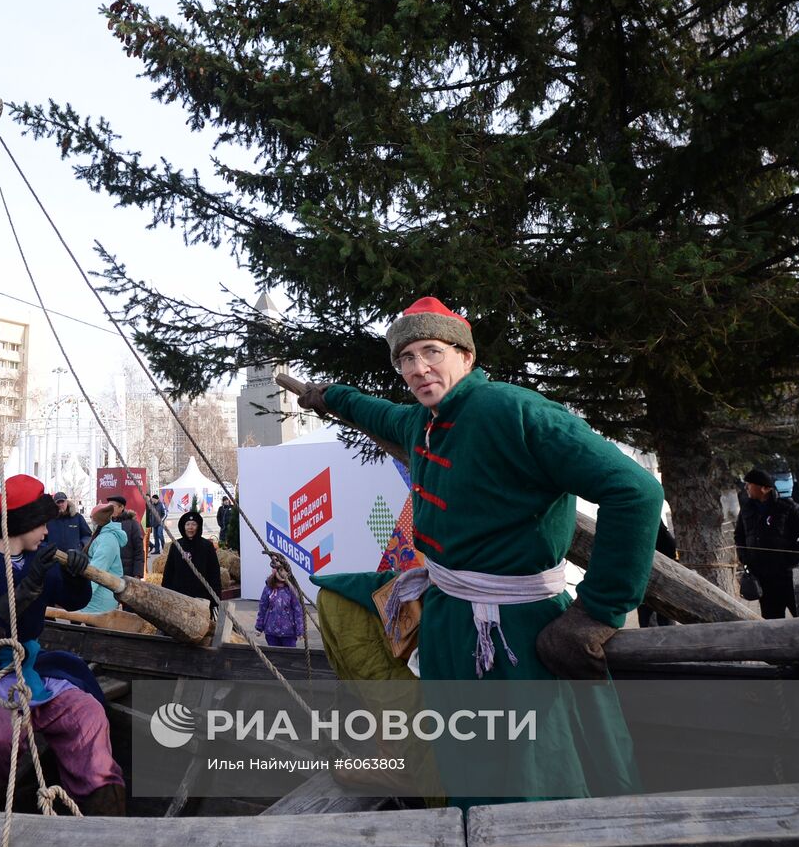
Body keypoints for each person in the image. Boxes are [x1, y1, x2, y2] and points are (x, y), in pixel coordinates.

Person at [298, 296, 663, 804]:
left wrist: (598, 610)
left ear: (465, 356)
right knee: (462, 752)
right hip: (449, 615)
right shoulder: (421, 422)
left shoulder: (516, 411)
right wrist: (329, 397)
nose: (419, 368)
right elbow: (375, 412)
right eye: (407, 358)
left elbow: (636, 491)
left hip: (517, 629)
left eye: (432, 352)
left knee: (535, 772)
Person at [0, 474, 125, 815]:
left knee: (88, 715)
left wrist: (75, 576)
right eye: (41, 524)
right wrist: (28, 586)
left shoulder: (41, 558)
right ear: (22, 523)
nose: (46, 531)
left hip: (33, 667)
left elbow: (73, 601)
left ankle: (101, 811)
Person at [735, 468, 799, 619]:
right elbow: (739, 536)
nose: (746, 487)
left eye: (749, 484)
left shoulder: (788, 508)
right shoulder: (747, 509)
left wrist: (785, 558)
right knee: (772, 625)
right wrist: (746, 559)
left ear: (765, 488)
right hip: (763, 581)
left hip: (789, 579)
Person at [160, 509, 222, 607]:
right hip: (179, 597)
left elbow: (214, 572)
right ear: (183, 527)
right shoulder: (176, 546)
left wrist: (215, 597)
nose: (190, 527)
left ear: (198, 527)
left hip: (202, 598)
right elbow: (169, 572)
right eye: (187, 524)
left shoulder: (207, 546)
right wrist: (166, 593)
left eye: (194, 524)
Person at [77, 502, 126, 614]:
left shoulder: (106, 540)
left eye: (92, 518)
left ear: (98, 521)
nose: (91, 521)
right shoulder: (102, 536)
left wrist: (84, 594)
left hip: (100, 598)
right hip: (98, 595)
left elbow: (97, 570)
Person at [255, 555, 305, 646]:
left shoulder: (292, 590)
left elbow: (297, 610)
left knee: (289, 653)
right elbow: (262, 608)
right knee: (274, 653)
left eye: (285, 570)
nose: (283, 573)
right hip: (271, 632)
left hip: (289, 633)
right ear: (274, 571)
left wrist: (300, 630)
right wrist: (259, 627)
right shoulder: (268, 589)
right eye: (280, 570)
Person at [108, 495, 146, 579]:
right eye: (108, 506)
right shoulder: (107, 524)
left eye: (113, 506)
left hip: (128, 572)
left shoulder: (132, 524)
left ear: (121, 507)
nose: (110, 509)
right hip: (110, 572)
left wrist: (137, 574)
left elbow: (139, 550)